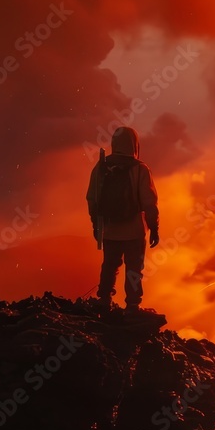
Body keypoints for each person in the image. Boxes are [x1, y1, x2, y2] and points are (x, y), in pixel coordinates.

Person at [86, 126, 159, 313]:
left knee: (110, 265)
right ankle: (133, 305)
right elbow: (149, 202)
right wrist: (154, 228)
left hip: (110, 229)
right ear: (134, 144)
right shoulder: (141, 169)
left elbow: (92, 199)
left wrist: (96, 226)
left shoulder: (102, 166)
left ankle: (104, 300)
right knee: (134, 268)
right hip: (135, 230)